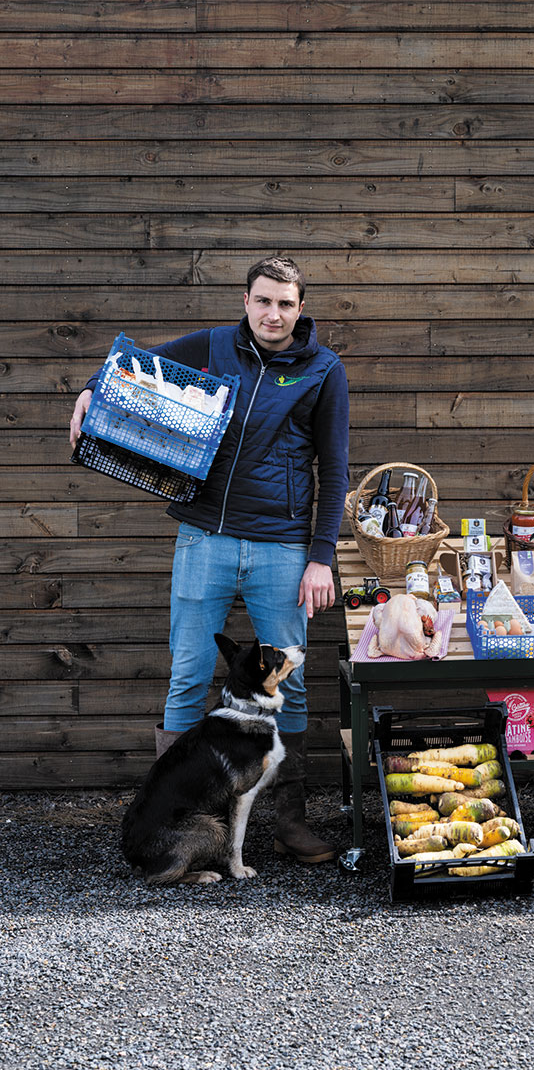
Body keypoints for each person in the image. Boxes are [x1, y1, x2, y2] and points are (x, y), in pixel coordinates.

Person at [69, 255, 350, 864]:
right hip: (205, 539)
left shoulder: (323, 370)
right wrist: (92, 389)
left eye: (285, 303)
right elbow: (132, 365)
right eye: (263, 301)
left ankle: (287, 822)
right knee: (188, 679)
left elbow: (336, 467)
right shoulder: (215, 345)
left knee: (291, 687)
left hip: (282, 544)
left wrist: (321, 555)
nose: (273, 313)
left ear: (301, 309)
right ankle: (168, 817)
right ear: (246, 302)